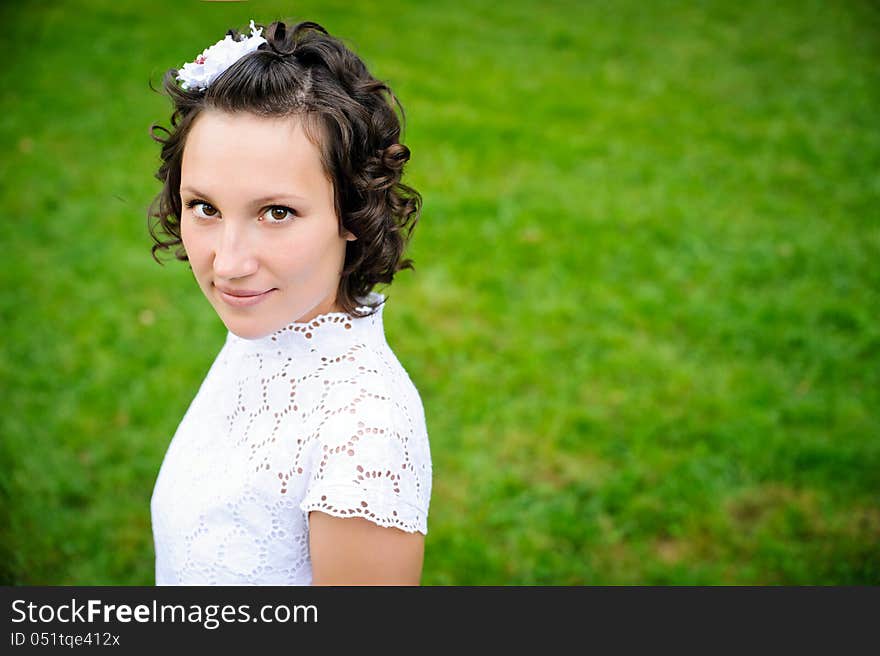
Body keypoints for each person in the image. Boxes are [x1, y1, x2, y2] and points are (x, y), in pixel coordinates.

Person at [146, 19, 432, 585]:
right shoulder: (274, 331)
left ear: (353, 210)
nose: (228, 263)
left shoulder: (365, 432)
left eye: (276, 212)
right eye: (204, 207)